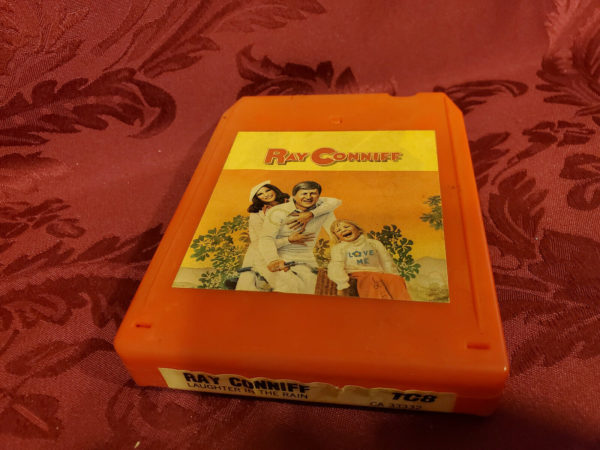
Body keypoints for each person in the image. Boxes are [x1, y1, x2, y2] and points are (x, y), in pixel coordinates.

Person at [259, 181, 341, 294]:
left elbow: (335, 234)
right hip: (279, 257)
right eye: (304, 193)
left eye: (313, 193)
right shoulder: (277, 211)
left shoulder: (324, 211)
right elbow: (266, 238)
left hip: (307, 259)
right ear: (294, 196)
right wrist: (273, 259)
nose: (308, 197)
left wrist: (312, 214)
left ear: (319, 196)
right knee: (289, 288)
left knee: (314, 290)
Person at [236, 181, 311, 291]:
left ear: (274, 189)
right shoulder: (257, 213)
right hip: (263, 253)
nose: (266, 195)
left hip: (291, 248)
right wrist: (288, 240)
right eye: (260, 194)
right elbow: (260, 242)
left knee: (306, 280)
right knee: (288, 284)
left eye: (267, 190)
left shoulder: (290, 201)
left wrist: (309, 214)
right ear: (257, 198)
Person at [327, 219, 412, 300]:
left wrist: (393, 275)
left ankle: (401, 305)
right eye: (338, 230)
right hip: (356, 275)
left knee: (395, 280)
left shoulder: (374, 243)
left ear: (358, 229)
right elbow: (336, 266)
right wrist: (342, 283)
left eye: (346, 227)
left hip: (377, 273)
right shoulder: (339, 248)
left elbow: (386, 261)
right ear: (337, 237)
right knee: (372, 279)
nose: (343, 230)